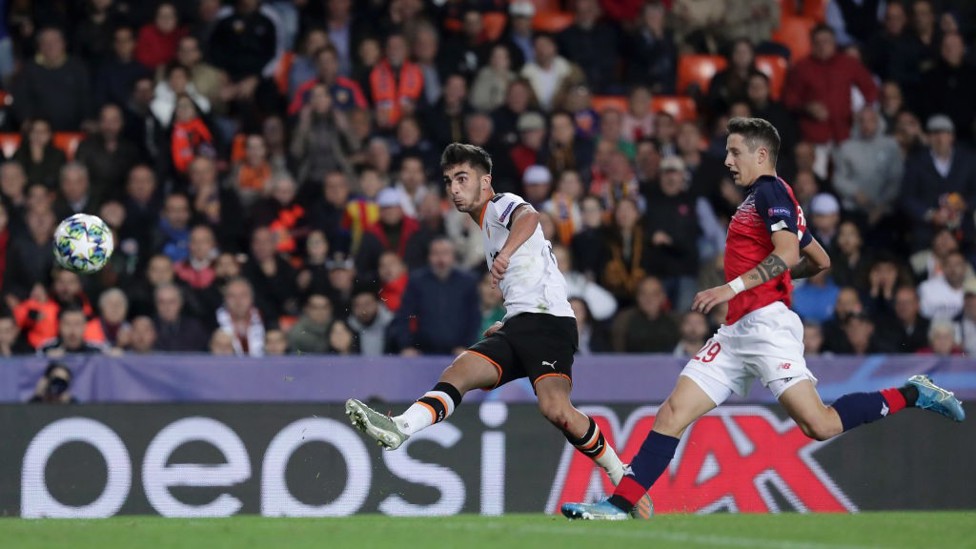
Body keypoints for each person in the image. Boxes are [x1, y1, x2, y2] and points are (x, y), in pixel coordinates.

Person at [562, 117, 965, 521]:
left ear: (760, 154)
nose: (727, 160)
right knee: (672, 412)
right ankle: (620, 505)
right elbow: (819, 260)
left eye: (734, 151)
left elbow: (789, 254)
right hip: (737, 330)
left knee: (819, 425)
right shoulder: (767, 199)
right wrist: (754, 286)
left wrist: (732, 288)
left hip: (767, 326)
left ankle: (912, 393)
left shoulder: (772, 192)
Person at [346, 143, 652, 517]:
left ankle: (627, 484)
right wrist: (507, 321)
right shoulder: (486, 224)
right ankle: (401, 428)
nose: (454, 188)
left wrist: (505, 254)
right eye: (448, 181)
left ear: (485, 181)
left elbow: (530, 216)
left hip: (547, 323)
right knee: (459, 372)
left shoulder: (501, 204)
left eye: (463, 179)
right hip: (521, 323)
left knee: (556, 409)